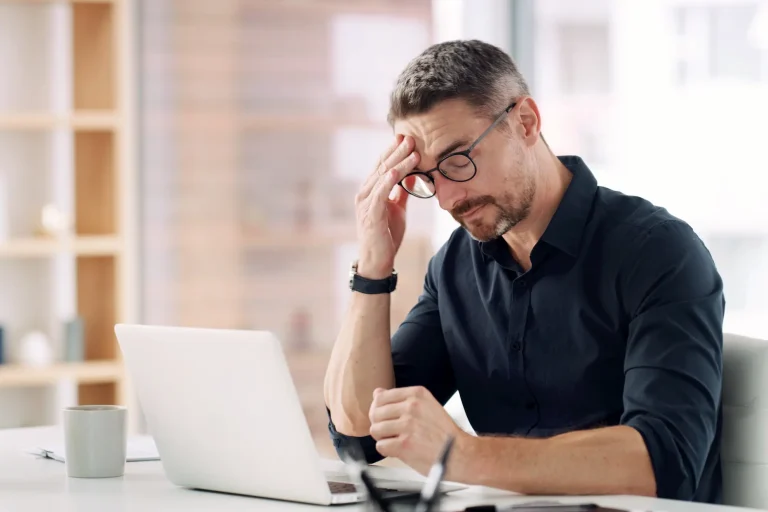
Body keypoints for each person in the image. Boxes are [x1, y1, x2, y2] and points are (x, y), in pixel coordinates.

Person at [323, 40, 724, 503]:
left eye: (458, 160)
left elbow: (665, 461)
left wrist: (463, 456)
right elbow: (359, 434)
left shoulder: (658, 252)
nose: (449, 200)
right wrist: (373, 265)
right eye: (428, 178)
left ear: (526, 122)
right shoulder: (455, 266)